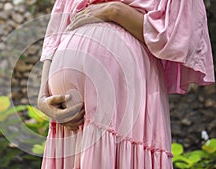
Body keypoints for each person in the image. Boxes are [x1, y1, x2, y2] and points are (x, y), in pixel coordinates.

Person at [37, 0, 215, 168]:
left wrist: (116, 11)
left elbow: (179, 36)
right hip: (67, 114)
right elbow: (57, 27)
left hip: (123, 86)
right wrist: (42, 97)